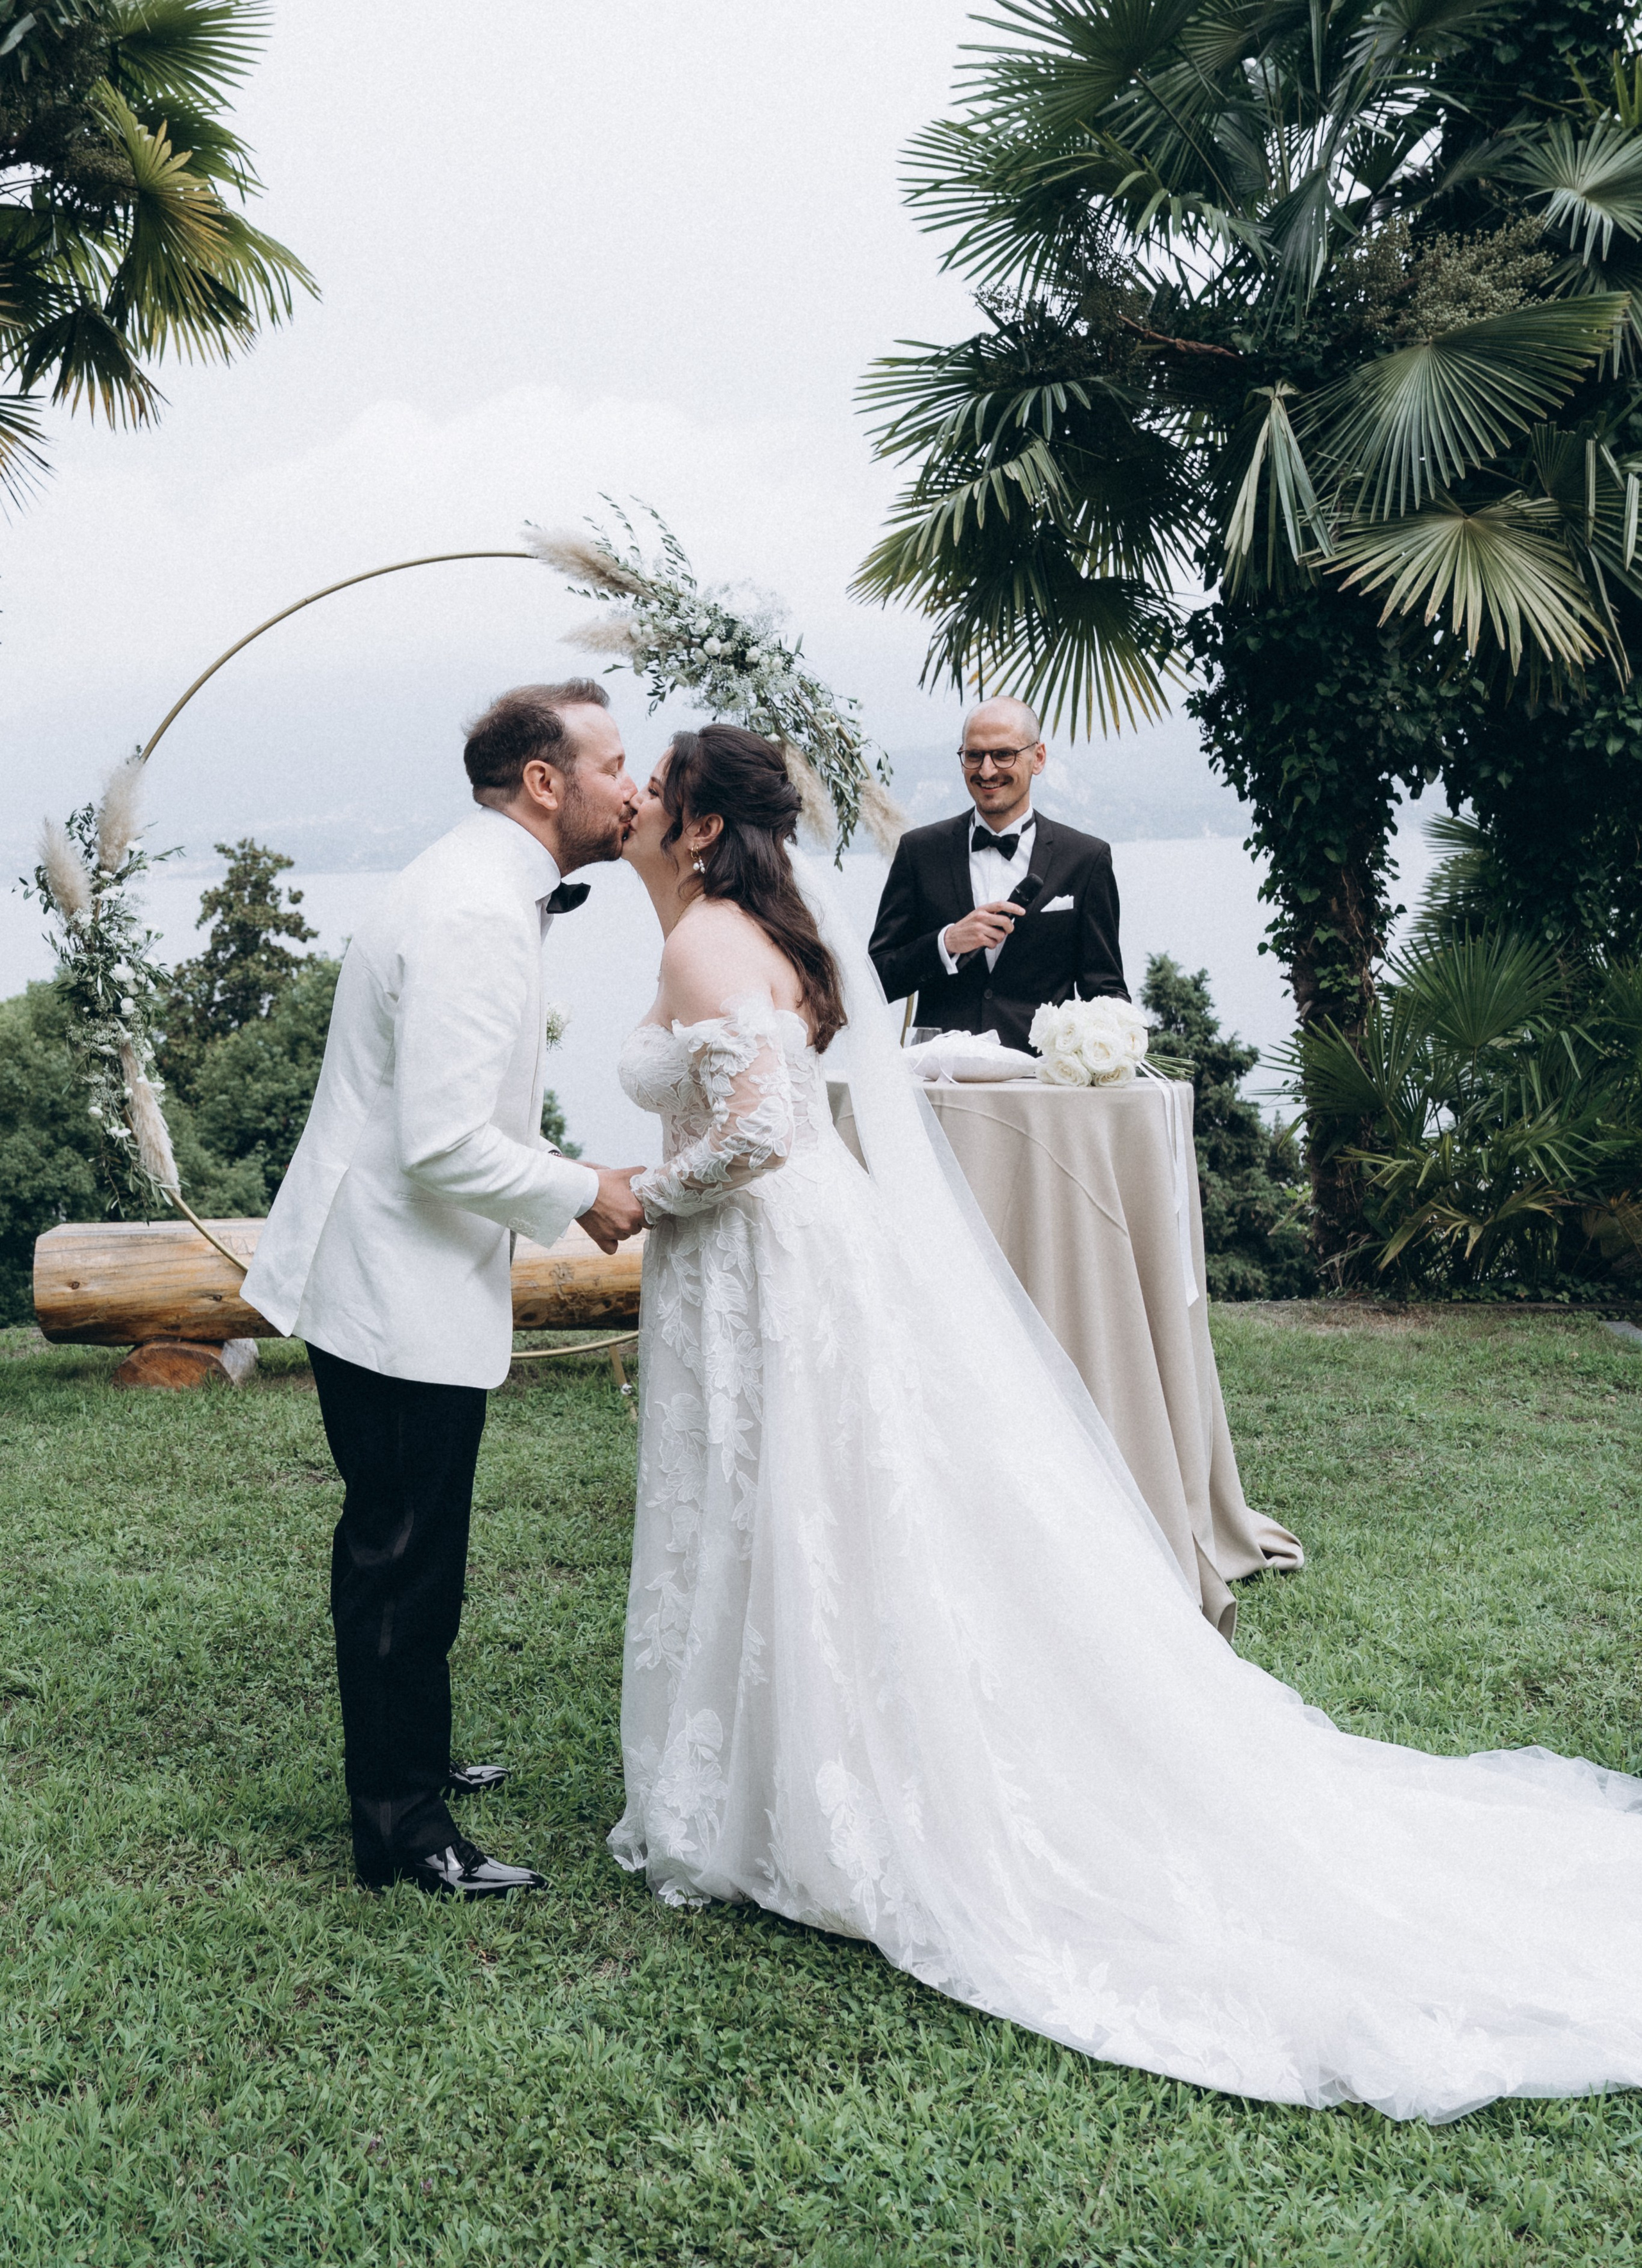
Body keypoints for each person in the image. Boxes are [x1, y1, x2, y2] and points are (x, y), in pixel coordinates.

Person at [609, 719, 1642, 2122]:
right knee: (806, 1490)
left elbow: (751, 1133)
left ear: (695, 822)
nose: (638, 797)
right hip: (798, 1247)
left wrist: (638, 1196)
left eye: (656, 788)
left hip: (755, 1252)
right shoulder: (764, 925)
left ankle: (804, 1772)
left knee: (783, 1488)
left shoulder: (703, 942)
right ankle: (793, 1747)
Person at [243, 681, 647, 1897]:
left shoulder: (475, 880)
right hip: (392, 1280)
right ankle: (404, 1831)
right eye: (614, 766)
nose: (633, 789)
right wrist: (583, 1190)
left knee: (411, 1547)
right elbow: (443, 1143)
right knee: (403, 1555)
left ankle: (411, 1759)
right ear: (545, 783)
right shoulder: (476, 909)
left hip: (393, 1263)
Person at [867, 695, 1127, 1051]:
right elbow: (875, 979)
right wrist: (947, 943)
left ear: (1038, 758)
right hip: (940, 1074)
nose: (987, 771)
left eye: (1004, 755)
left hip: (1039, 1075)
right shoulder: (919, 851)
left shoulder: (1086, 858)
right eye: (974, 755)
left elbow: (1106, 991)